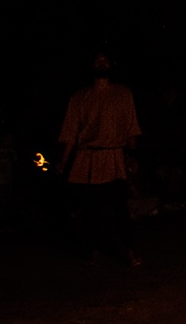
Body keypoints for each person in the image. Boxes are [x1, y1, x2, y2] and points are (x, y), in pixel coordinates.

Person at [56, 52, 142, 267]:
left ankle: (129, 251)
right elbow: (70, 133)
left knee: (120, 208)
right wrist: (63, 162)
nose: (102, 63)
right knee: (90, 209)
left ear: (111, 65)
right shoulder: (79, 97)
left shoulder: (123, 94)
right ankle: (92, 250)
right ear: (91, 65)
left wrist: (132, 158)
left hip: (113, 158)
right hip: (88, 160)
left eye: (105, 60)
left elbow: (131, 127)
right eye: (97, 60)